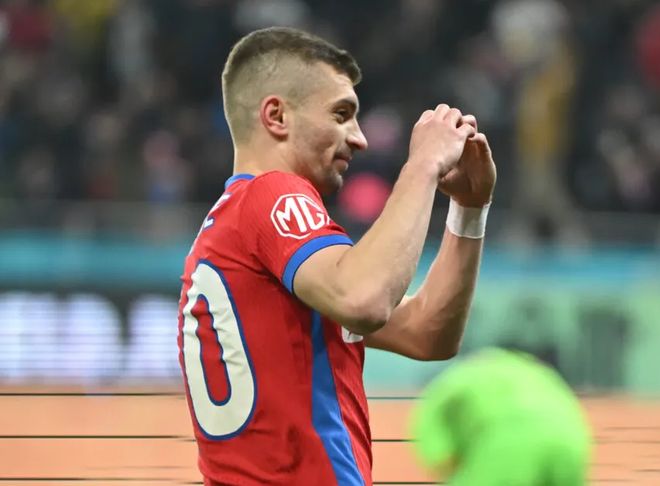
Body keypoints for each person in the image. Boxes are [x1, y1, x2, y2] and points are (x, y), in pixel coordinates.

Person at [177, 26, 496, 486]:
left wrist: (468, 209)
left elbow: (428, 333)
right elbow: (364, 298)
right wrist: (424, 164)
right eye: (341, 114)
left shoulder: (237, 229)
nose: (359, 138)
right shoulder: (272, 194)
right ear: (276, 116)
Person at [411, 347, 592, 486]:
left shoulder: (448, 386)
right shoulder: (533, 372)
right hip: (571, 440)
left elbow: (440, 455)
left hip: (508, 443)